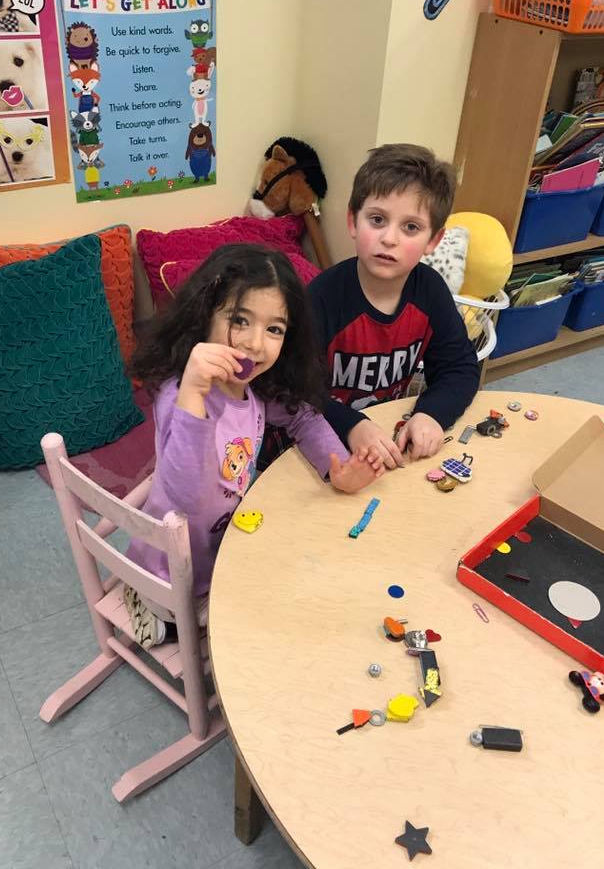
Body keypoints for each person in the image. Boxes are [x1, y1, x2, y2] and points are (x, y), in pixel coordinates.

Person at [124, 243, 379, 649]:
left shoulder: (254, 387)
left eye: (274, 329)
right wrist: (193, 390)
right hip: (174, 571)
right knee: (259, 626)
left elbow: (302, 416)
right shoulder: (180, 395)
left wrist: (337, 467)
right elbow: (186, 498)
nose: (256, 344)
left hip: (225, 542)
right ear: (205, 315)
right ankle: (146, 602)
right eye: (239, 320)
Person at [308, 143, 480, 470]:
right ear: (353, 222)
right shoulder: (321, 298)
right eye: (377, 219)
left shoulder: (430, 291)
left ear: (433, 240)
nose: (390, 239)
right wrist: (351, 425)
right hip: (320, 445)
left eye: (411, 227)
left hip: (388, 440)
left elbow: (459, 368)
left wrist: (432, 414)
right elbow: (293, 390)